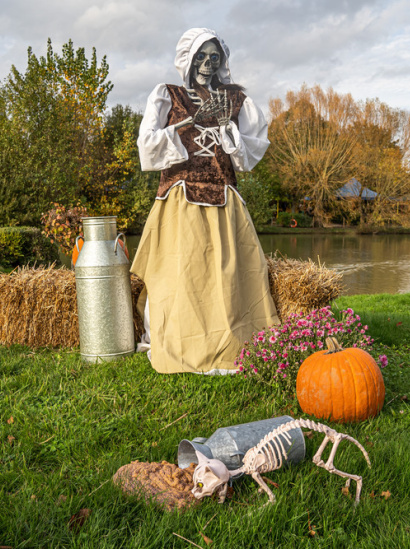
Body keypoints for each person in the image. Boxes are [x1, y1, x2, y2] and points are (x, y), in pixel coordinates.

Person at [131, 28, 279, 374]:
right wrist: (187, 122)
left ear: (222, 61)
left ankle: (228, 339)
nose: (208, 63)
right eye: (201, 56)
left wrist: (229, 131)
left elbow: (247, 158)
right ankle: (173, 337)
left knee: (228, 274)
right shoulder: (169, 95)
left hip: (224, 195)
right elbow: (147, 147)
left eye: (214, 57)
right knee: (176, 273)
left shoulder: (237, 101)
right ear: (188, 58)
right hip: (180, 196)